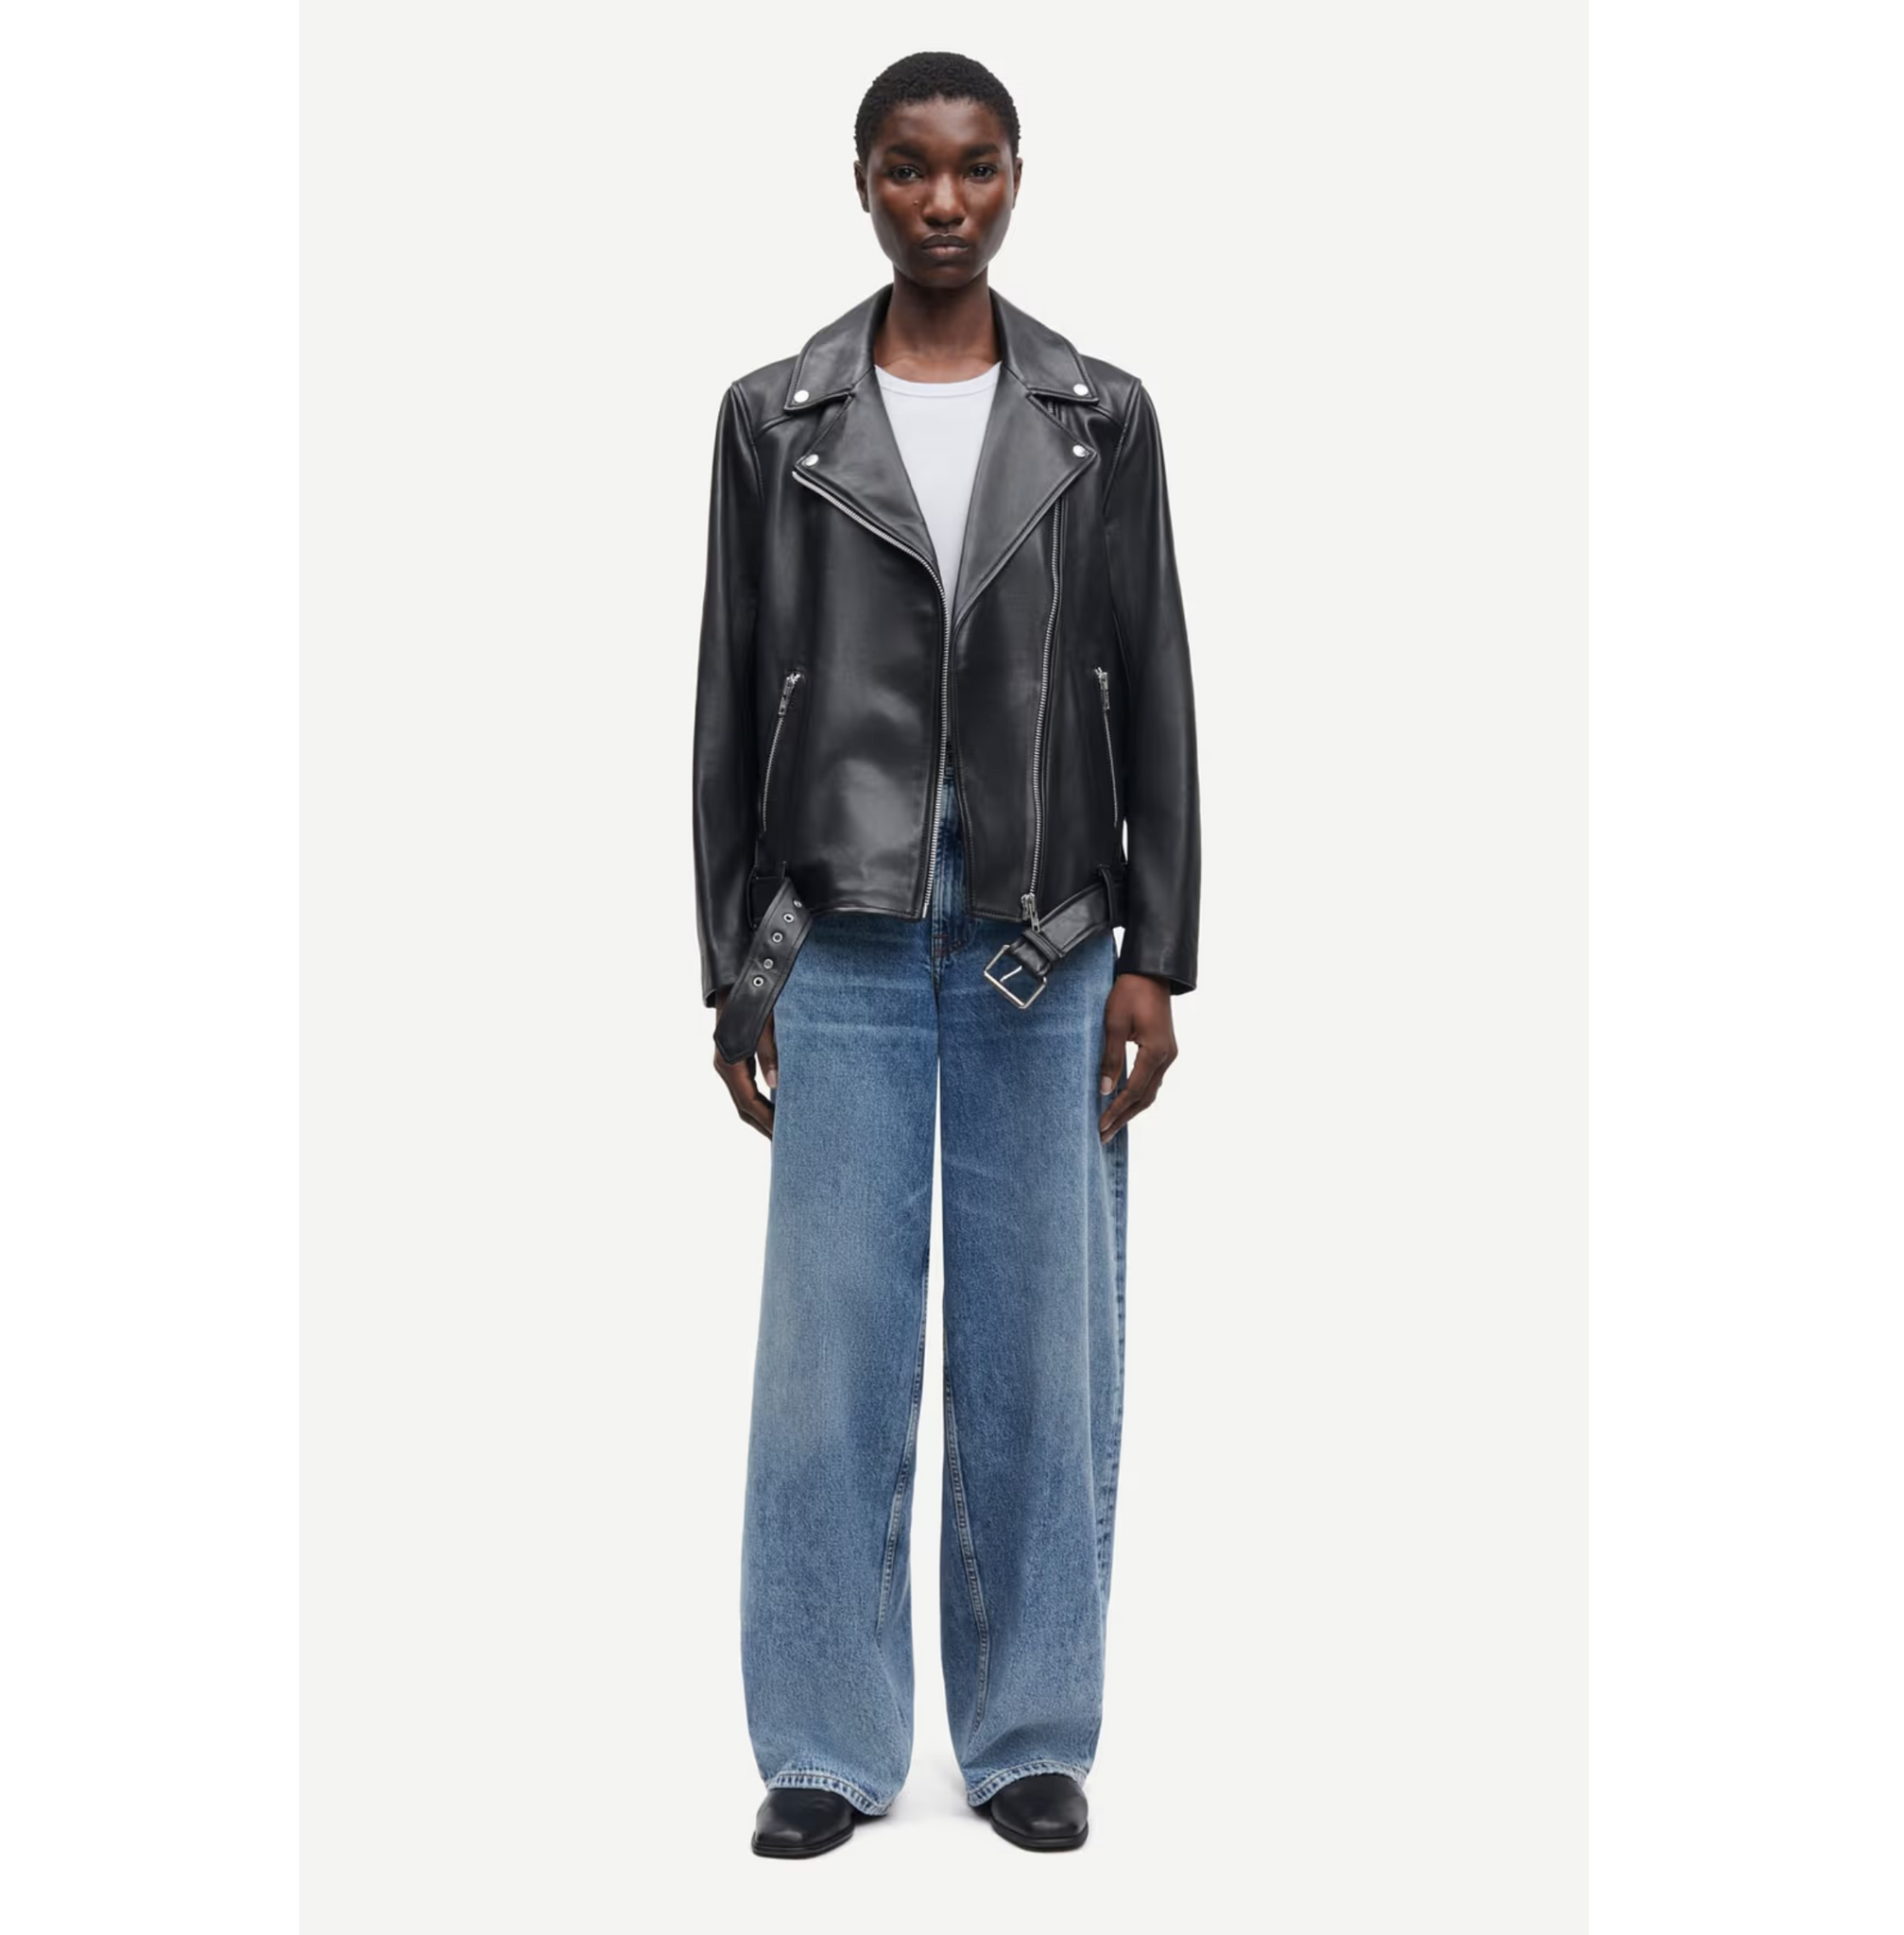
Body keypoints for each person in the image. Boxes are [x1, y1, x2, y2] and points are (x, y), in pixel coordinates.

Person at [690, 49, 1202, 1858]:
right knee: (827, 1355)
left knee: (1038, 1353)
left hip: (1043, 933)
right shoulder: (777, 420)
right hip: (832, 931)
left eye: (976, 167)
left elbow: (1155, 678)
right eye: (909, 168)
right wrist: (729, 963)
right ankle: (823, 1744)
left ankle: (1031, 1735)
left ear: (1016, 177)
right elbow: (729, 692)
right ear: (861, 180)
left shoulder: (1098, 418)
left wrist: (1160, 954)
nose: (944, 202)